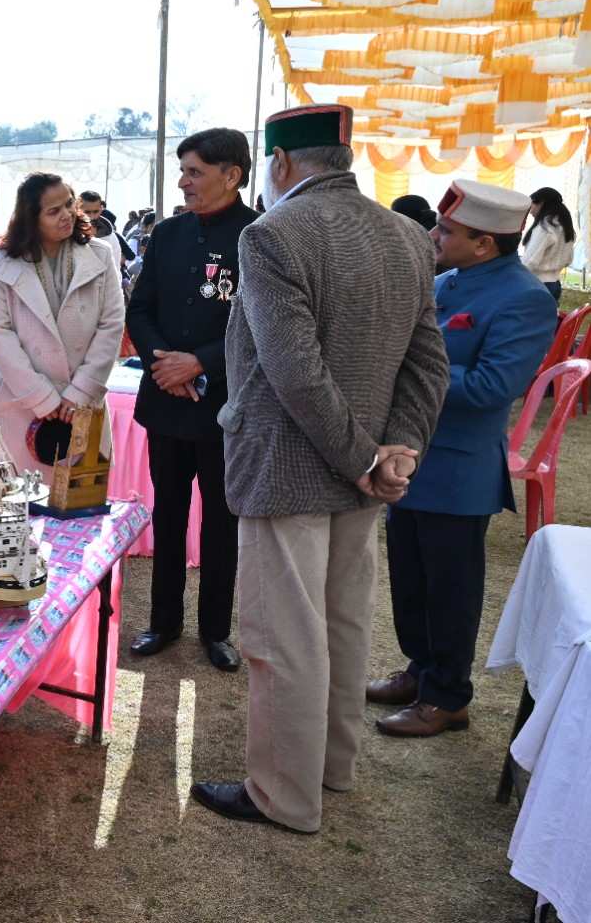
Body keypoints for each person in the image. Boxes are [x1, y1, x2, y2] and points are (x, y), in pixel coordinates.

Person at [192, 105, 449, 835]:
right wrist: (396, 450)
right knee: (342, 624)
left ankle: (284, 794)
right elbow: (428, 362)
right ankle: (331, 766)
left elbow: (293, 370)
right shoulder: (406, 234)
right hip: (365, 474)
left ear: (279, 164)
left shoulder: (272, 233)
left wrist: (367, 458)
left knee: (285, 636)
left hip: (291, 467)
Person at [370, 181, 556, 738]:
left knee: (451, 590)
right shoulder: (444, 281)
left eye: (447, 230)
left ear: (484, 243)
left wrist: (412, 370)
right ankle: (420, 669)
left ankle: (448, 695)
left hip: (457, 468)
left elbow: (491, 386)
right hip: (411, 456)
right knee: (410, 578)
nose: (434, 235)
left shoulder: (525, 298)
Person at [125, 128, 258, 673]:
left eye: (194, 172)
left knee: (222, 523)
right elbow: (140, 309)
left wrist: (200, 363)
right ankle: (163, 621)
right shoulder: (168, 233)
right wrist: (165, 363)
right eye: (182, 171)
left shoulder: (258, 237)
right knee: (169, 513)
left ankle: (216, 631)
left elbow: (259, 325)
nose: (183, 182)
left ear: (232, 175)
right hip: (166, 401)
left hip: (225, 408)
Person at [0, 172, 123, 477]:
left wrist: (79, 392)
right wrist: (41, 398)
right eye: (53, 211)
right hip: (20, 402)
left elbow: (111, 325)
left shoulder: (100, 254)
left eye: (69, 204)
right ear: (31, 218)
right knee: (19, 500)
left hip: (83, 401)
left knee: (80, 497)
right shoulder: (0, 263)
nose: (66, 215)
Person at [520, 185, 576, 302]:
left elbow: (529, 262)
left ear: (541, 203)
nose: (530, 211)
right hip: (555, 284)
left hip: (537, 285)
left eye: (532, 205)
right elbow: (569, 260)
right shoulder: (565, 226)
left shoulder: (544, 228)